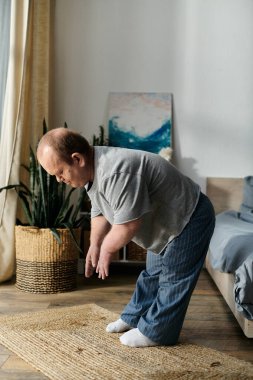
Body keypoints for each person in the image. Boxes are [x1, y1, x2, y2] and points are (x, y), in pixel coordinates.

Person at [37, 127, 215, 348]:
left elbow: (129, 224)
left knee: (173, 278)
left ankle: (157, 332)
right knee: (152, 275)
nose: (58, 180)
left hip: (190, 216)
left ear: (77, 159)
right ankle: (133, 318)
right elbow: (100, 209)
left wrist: (107, 250)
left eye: (59, 172)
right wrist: (95, 244)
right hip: (163, 222)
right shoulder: (91, 168)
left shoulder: (115, 171)